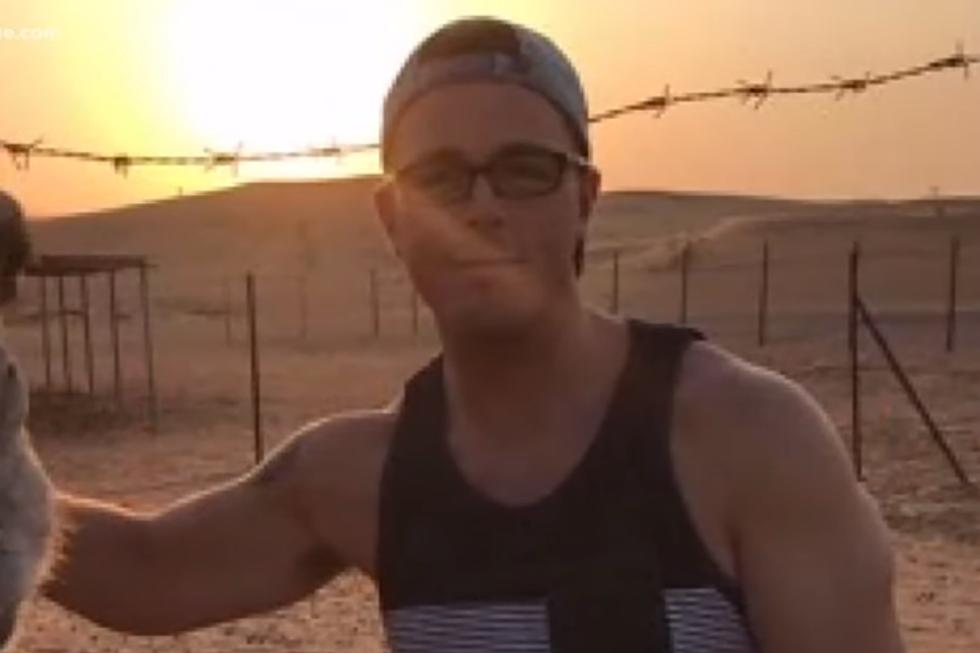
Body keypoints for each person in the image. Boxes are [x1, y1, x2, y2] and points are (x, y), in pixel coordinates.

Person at [38, 17, 904, 652]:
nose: (483, 206)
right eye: (441, 178)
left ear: (584, 198)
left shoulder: (745, 435)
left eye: (525, 170)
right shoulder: (363, 475)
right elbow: (146, 568)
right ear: (393, 218)